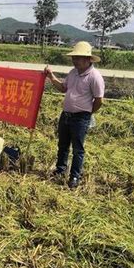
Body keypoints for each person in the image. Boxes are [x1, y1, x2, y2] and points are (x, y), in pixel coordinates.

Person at [44, 41, 105, 189]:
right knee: (63, 145)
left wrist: (87, 113)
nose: (74, 60)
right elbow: (63, 88)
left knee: (78, 149)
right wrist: (52, 77)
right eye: (74, 57)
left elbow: (99, 100)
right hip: (66, 115)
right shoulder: (73, 73)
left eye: (78, 58)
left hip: (80, 118)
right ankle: (60, 170)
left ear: (88, 59)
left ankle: (75, 176)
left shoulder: (95, 77)